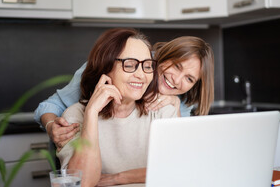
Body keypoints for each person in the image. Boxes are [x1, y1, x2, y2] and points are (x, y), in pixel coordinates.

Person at [34, 32, 214, 151]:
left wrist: (175, 109)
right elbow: (51, 106)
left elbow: (177, 158)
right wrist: (51, 127)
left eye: (189, 78)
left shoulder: (180, 102)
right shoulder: (110, 65)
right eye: (176, 66)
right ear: (163, 57)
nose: (176, 80)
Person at [57, 28, 178, 187]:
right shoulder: (75, 116)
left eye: (147, 66)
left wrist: (119, 178)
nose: (141, 75)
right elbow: (82, 183)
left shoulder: (163, 110)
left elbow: (176, 172)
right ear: (105, 66)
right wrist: (91, 114)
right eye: (130, 64)